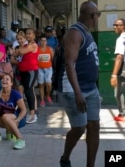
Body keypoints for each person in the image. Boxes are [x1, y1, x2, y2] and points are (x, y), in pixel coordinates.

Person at [58, 1, 101, 167]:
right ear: (92, 16)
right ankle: (65, 158)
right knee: (80, 127)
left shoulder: (87, 32)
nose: (97, 18)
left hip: (91, 88)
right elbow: (69, 63)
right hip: (74, 89)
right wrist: (77, 92)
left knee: (94, 126)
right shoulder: (75, 33)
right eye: (97, 15)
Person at [0, 74, 27, 149]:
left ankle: (20, 139)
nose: (4, 80)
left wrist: (18, 120)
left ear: (11, 83)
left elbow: (24, 110)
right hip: (3, 118)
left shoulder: (15, 93)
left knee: (5, 116)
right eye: (3, 78)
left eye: (7, 79)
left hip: (16, 119)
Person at [10, 28, 39, 124]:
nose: (28, 35)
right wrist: (16, 51)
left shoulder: (33, 45)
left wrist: (16, 51)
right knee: (25, 91)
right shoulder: (26, 45)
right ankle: (28, 112)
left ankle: (33, 114)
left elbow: (19, 52)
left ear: (34, 35)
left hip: (31, 71)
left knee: (29, 90)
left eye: (30, 33)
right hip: (23, 71)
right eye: (27, 33)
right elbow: (15, 53)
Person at [110, 18, 125, 122]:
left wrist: (114, 75)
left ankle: (123, 114)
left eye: (117, 25)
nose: (115, 27)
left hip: (123, 69)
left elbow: (120, 57)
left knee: (118, 93)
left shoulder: (121, 39)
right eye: (114, 25)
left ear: (123, 26)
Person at [37, 35, 54, 107]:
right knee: (41, 84)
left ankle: (48, 96)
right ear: (40, 41)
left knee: (49, 84)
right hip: (39, 68)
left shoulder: (50, 49)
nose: (43, 42)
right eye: (42, 41)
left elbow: (53, 59)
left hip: (48, 68)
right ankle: (42, 100)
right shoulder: (37, 49)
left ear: (46, 42)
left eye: (44, 41)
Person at [10, 31, 26, 96]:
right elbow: (12, 60)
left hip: (26, 70)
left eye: (21, 39)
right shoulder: (16, 48)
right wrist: (20, 63)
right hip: (18, 70)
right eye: (18, 39)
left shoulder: (27, 48)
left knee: (25, 87)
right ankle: (20, 101)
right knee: (19, 87)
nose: (19, 40)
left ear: (25, 39)